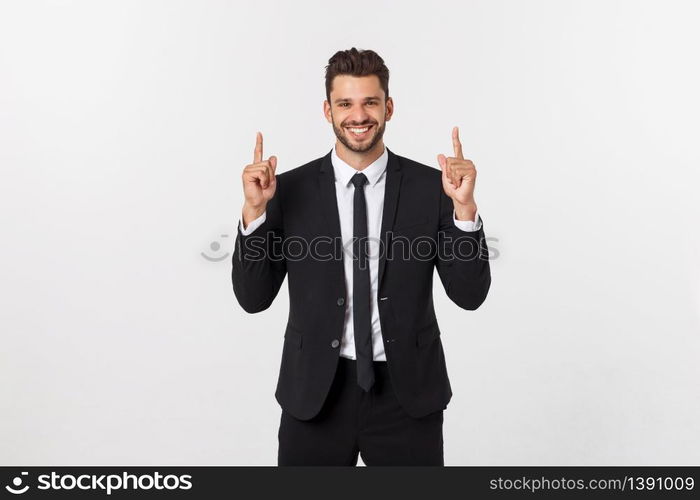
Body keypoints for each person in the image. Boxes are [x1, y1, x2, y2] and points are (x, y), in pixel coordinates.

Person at [231, 47, 491, 465]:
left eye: (370, 101)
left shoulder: (433, 189)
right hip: (314, 395)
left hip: (407, 397)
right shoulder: (287, 190)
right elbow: (253, 298)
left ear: (388, 107)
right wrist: (255, 213)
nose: (358, 115)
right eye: (345, 103)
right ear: (327, 110)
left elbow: (469, 294)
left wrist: (463, 209)